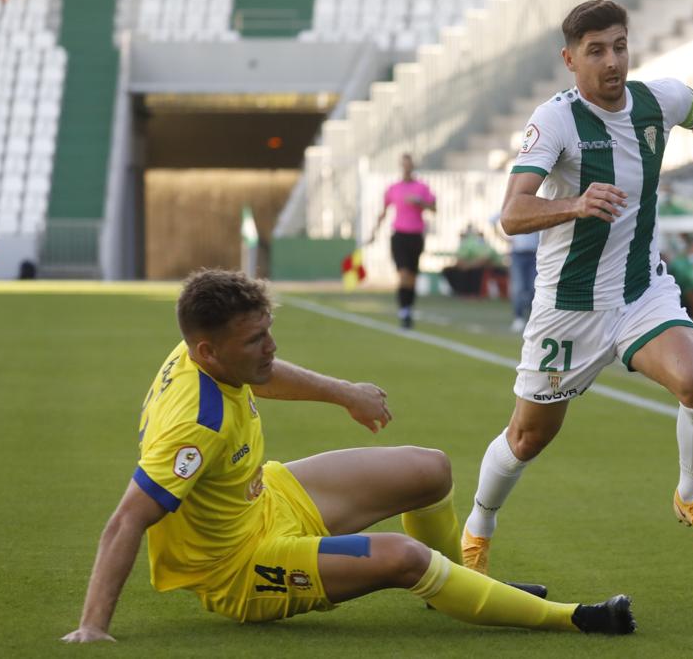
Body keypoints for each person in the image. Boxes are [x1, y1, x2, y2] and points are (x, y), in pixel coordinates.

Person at [61, 269, 634, 643]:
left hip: (267, 499)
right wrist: (92, 627)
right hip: (238, 567)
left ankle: (453, 590)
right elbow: (128, 519)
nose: (271, 346)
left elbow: (258, 375)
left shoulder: (200, 351)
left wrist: (345, 393)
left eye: (268, 330)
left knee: (430, 468)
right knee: (404, 558)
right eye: (255, 339)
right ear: (209, 350)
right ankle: (571, 616)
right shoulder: (195, 426)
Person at [461, 0, 693, 575]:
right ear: (570, 59)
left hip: (640, 294)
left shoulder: (660, 100)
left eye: (620, 46)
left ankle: (691, 495)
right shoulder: (556, 120)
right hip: (569, 309)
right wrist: (576, 204)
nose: (612, 62)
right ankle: (479, 528)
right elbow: (511, 214)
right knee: (527, 438)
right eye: (596, 51)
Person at [368, 154, 437, 329]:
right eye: (404, 165)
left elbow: (434, 208)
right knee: (403, 274)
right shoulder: (393, 188)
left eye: (409, 165)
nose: (407, 168)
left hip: (415, 236)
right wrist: (373, 233)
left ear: (412, 166)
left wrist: (420, 202)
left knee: (412, 277)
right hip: (399, 235)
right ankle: (403, 311)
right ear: (401, 166)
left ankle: (409, 308)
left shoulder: (422, 187)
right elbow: (383, 212)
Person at [493, 212, 540, 332]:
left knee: (534, 287)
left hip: (535, 254)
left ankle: (532, 317)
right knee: (518, 287)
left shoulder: (536, 206)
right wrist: (504, 238)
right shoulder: (515, 205)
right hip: (518, 254)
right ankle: (518, 317)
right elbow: (493, 220)